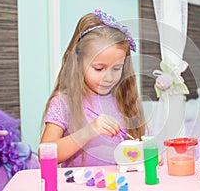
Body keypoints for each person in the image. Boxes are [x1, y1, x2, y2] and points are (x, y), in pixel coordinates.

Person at [40, 9, 147, 167]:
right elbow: (44, 155)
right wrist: (89, 131)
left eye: (116, 68)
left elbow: (135, 151)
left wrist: (147, 156)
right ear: (78, 62)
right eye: (99, 68)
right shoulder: (64, 102)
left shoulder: (124, 100)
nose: (108, 77)